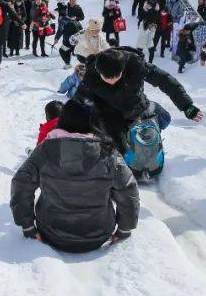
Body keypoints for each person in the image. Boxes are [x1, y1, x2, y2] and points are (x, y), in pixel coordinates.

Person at [11, 99, 139, 253]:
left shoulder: (45, 149)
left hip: (51, 233)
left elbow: (21, 183)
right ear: (95, 123)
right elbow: (128, 188)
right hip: (99, 234)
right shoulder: (108, 152)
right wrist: (125, 228)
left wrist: (28, 226)